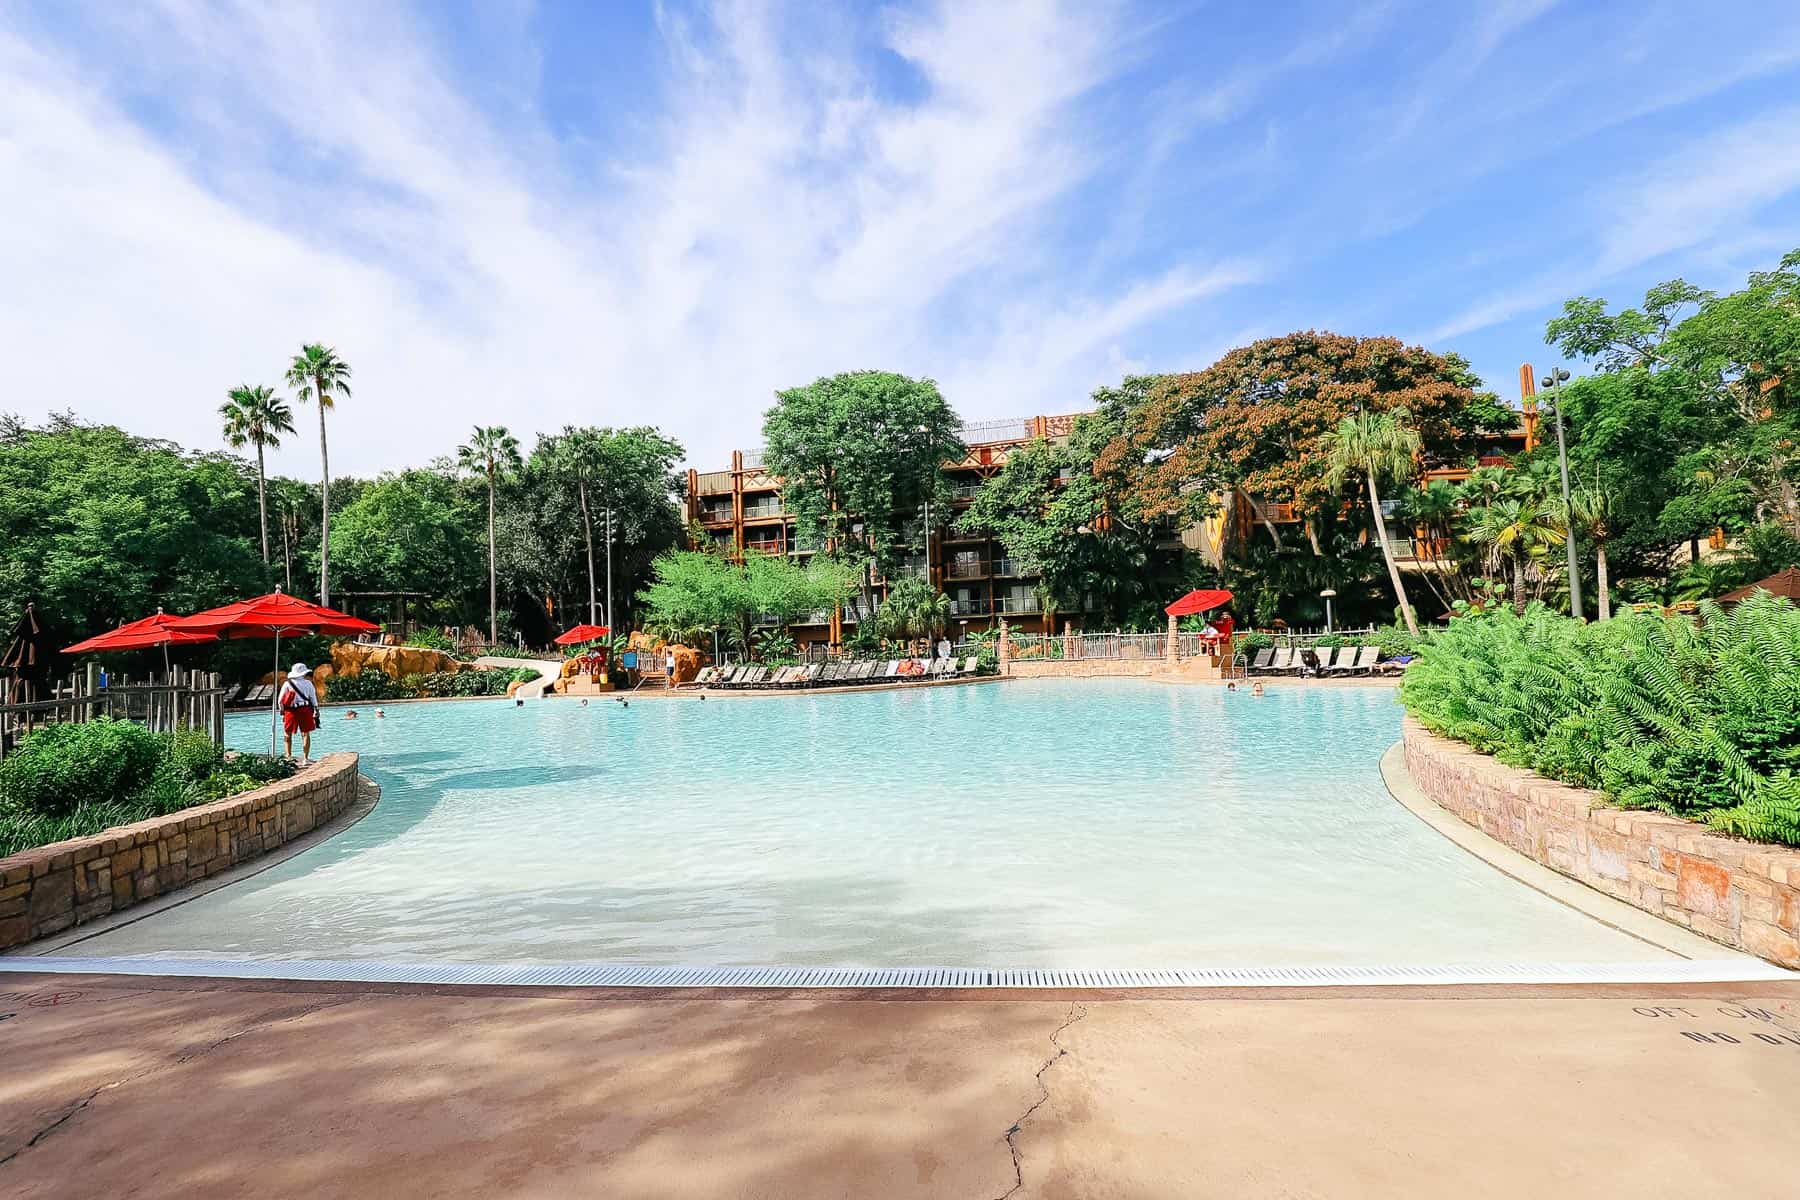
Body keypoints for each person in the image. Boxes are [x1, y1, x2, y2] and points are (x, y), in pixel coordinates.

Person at [278, 663, 320, 762]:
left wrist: (282, 712)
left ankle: (288, 756)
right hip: (305, 709)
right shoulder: (308, 683)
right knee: (305, 734)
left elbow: (280, 700)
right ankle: (305, 758)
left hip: (291, 711)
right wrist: (316, 710)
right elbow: (313, 698)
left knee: (287, 734)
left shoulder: (287, 684)